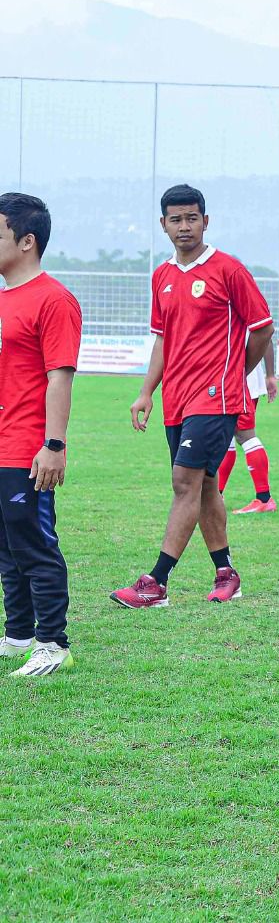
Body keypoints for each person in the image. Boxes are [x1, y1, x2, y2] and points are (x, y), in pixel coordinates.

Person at [112, 185, 273, 608]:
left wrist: (236, 373)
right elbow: (163, 340)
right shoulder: (162, 277)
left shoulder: (228, 270)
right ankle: (226, 573)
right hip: (177, 399)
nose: (185, 226)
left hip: (216, 398)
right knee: (204, 487)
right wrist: (146, 392)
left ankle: (156, 582)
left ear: (206, 221)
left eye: (192, 218)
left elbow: (262, 327)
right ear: (163, 224)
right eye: (176, 219)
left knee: (184, 482)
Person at [0, 194, 82, 676]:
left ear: (26, 241)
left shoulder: (54, 299)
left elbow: (59, 377)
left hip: (28, 448)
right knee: (7, 548)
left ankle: (54, 644)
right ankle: (19, 634)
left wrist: (53, 446)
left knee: (34, 546)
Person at [217, 338, 279, 513]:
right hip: (229, 376)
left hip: (241, 378)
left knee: (244, 434)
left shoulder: (246, 310)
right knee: (225, 433)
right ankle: (216, 494)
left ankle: (264, 498)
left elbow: (265, 333)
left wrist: (270, 375)